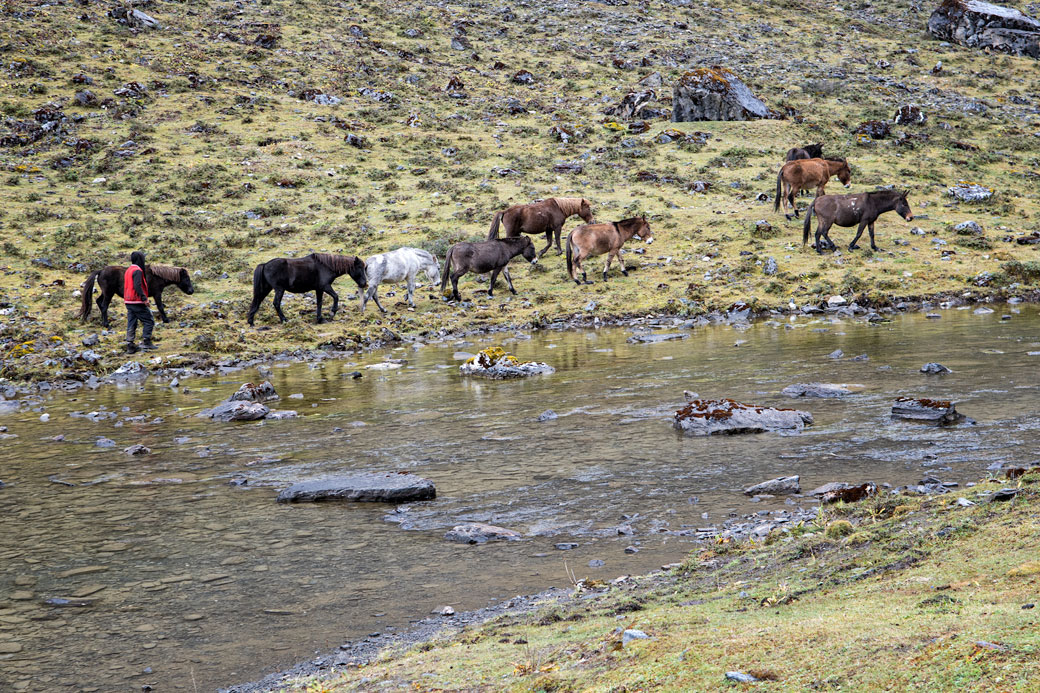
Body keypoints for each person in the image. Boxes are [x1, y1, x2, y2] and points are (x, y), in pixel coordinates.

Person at [124, 251, 156, 353]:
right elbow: (137, 285)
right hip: (136, 300)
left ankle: (130, 345)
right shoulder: (137, 270)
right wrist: (144, 298)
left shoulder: (129, 270)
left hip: (128, 300)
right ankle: (146, 341)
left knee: (131, 322)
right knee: (149, 320)